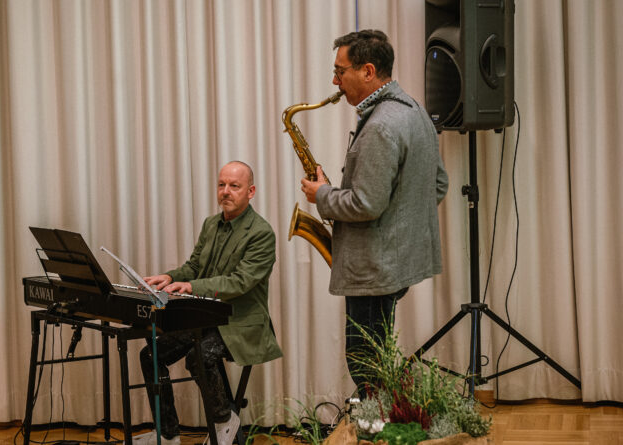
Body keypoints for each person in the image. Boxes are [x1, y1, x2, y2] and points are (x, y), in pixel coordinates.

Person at [300, 30, 448, 397]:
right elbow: (438, 184)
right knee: (377, 355)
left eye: (340, 71)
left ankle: (378, 427)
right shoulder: (415, 112)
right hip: (393, 263)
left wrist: (322, 195)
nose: (334, 81)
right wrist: (400, 228)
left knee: (365, 360)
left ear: (368, 71)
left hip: (373, 265)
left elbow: (365, 205)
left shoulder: (382, 125)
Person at [135, 161, 282, 445]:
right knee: (150, 354)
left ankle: (224, 419)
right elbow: (193, 266)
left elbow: (239, 282)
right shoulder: (211, 224)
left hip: (240, 323)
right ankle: (167, 435)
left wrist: (192, 286)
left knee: (200, 357)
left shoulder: (261, 233)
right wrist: (169, 277)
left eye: (234, 186)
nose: (225, 192)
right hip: (205, 317)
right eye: (221, 184)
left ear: (250, 191)